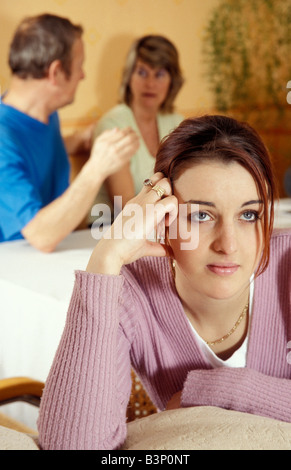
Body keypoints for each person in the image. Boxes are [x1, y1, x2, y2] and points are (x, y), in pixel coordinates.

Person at [37, 115, 291, 450]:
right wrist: (106, 258)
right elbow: (74, 445)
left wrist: (217, 390)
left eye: (248, 215)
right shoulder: (131, 291)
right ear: (163, 217)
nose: (228, 245)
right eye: (201, 215)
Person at [0, 14, 139, 251]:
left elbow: (25, 157)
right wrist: (97, 167)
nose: (83, 75)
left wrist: (76, 141)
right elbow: (40, 236)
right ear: (55, 72)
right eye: (79, 65)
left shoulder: (44, 113)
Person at [90, 34, 184, 222]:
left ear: (172, 81)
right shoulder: (112, 125)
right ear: (129, 76)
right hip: (107, 230)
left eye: (159, 74)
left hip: (162, 225)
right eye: (142, 72)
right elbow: (127, 207)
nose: (150, 83)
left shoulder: (178, 123)